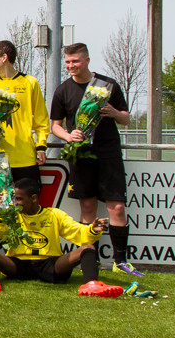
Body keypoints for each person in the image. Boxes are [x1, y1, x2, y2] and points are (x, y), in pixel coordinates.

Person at [49, 42, 141, 277]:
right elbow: (55, 126)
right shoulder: (63, 90)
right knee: (88, 206)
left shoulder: (107, 86)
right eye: (68, 62)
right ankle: (91, 259)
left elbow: (126, 119)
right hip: (81, 154)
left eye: (75, 61)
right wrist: (69, 136)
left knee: (116, 207)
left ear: (87, 60)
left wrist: (114, 113)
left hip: (108, 153)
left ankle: (121, 261)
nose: (71, 66)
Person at [0, 177, 124, 297]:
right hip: (18, 265)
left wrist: (92, 230)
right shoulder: (12, 215)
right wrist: (1, 214)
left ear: (33, 198)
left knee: (88, 248)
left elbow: (78, 233)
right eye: (14, 198)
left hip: (50, 265)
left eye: (19, 199)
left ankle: (91, 284)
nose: (15, 202)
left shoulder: (54, 214)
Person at [0, 40, 49, 184]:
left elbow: (42, 119)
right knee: (0, 196)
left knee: (27, 197)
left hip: (25, 156)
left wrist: (41, 146)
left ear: (4, 57)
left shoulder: (30, 82)